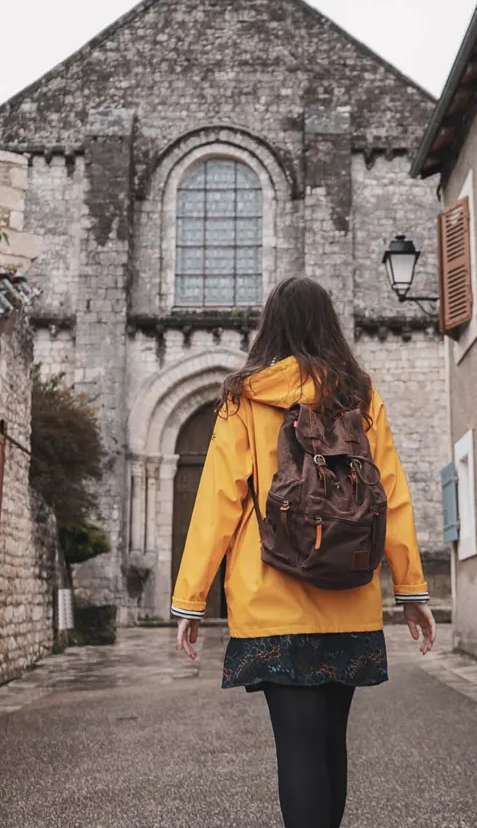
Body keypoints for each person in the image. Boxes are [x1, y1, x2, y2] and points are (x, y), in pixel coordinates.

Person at [171, 275, 437, 828]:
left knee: (296, 750)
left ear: (272, 327)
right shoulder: (360, 394)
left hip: (271, 601)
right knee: (330, 746)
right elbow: (390, 491)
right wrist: (411, 590)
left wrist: (190, 600)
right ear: (330, 326)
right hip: (349, 597)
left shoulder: (244, 397)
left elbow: (218, 501)